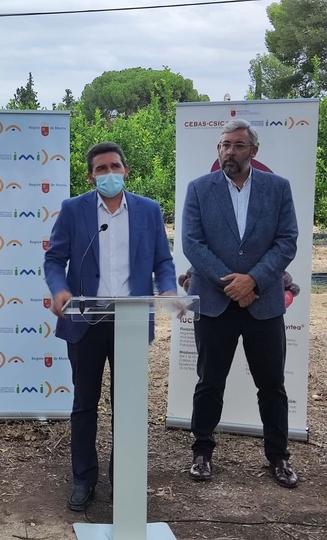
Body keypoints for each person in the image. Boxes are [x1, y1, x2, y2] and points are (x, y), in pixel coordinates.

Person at [44, 141, 177, 511]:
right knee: (85, 403)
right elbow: (55, 259)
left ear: (126, 170)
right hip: (86, 321)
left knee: (128, 405)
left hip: (131, 322)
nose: (109, 174)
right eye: (101, 169)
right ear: (91, 176)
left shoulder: (149, 210)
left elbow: (162, 262)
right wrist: (60, 290)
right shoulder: (74, 209)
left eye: (114, 166)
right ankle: (84, 479)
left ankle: (124, 479)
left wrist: (167, 288)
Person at [182, 119, 299, 488]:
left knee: (272, 384)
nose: (229, 152)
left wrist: (254, 281)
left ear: (253, 151)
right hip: (216, 303)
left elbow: (287, 240)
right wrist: (231, 284)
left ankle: (278, 457)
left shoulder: (278, 188)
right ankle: (202, 451)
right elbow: (192, 243)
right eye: (223, 145)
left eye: (237, 145)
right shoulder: (199, 189)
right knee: (209, 382)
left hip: (263, 303)